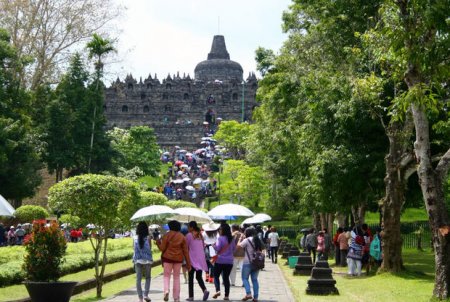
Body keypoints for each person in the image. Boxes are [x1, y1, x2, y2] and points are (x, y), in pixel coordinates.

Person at [156, 220, 191, 302]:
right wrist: (188, 264)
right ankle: (176, 298)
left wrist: (158, 243)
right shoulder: (182, 237)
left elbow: (162, 249)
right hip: (178, 259)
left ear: (170, 226)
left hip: (167, 259)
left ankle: (166, 291)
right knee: (176, 277)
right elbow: (186, 251)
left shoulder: (166, 236)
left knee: (166, 276)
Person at [237, 226, 265, 302]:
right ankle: (255, 297)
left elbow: (238, 246)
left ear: (247, 233)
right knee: (255, 280)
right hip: (257, 263)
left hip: (247, 262)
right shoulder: (257, 239)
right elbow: (263, 248)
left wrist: (240, 239)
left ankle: (248, 293)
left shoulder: (246, 240)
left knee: (244, 278)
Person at [185, 221, 209, 301]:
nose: (188, 228)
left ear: (191, 227)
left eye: (188, 227)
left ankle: (191, 296)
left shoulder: (189, 235)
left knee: (191, 278)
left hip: (192, 259)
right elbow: (202, 246)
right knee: (199, 277)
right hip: (200, 260)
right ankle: (205, 290)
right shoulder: (200, 235)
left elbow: (186, 247)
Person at [211, 223, 236, 300]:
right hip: (229, 261)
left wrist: (213, 245)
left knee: (216, 276)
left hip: (220, 260)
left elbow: (218, 249)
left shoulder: (220, 238)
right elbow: (234, 249)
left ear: (223, 230)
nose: (219, 231)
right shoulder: (232, 239)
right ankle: (226, 296)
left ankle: (218, 290)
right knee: (226, 278)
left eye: (220, 229)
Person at [133, 222, 153, 302]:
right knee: (148, 277)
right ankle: (146, 295)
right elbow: (150, 248)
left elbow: (133, 248)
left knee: (138, 279)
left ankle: (140, 298)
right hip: (147, 260)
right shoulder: (148, 238)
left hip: (137, 260)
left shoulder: (134, 238)